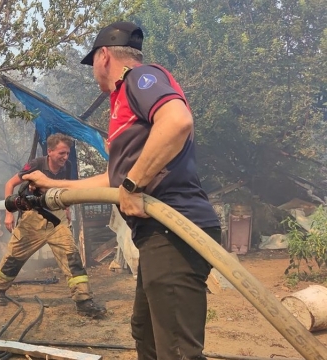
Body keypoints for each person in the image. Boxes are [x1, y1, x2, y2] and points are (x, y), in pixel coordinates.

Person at [22, 21, 222, 360]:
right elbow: (114, 180)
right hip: (158, 234)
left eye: (92, 67)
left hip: (174, 227)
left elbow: (177, 122)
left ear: (103, 57)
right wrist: (55, 185)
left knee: (175, 349)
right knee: (146, 334)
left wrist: (133, 184)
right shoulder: (125, 102)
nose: (93, 76)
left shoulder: (140, 79)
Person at [0, 133, 107, 318]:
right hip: (33, 219)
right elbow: (10, 183)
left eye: (67, 153)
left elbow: (65, 191)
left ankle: (83, 301)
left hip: (57, 218)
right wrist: (8, 213)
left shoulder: (67, 167)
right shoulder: (36, 164)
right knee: (15, 256)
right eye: (62, 153)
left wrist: (66, 209)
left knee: (71, 256)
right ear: (50, 151)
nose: (65, 157)